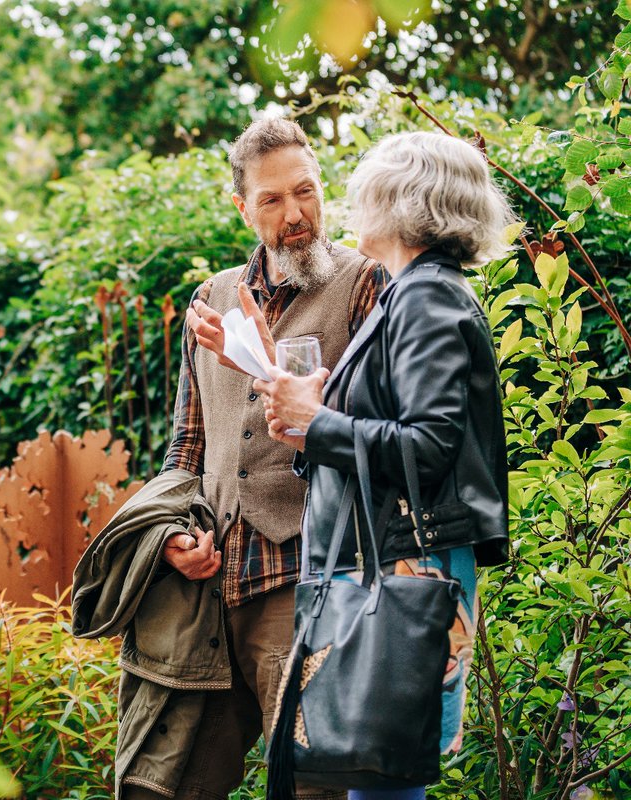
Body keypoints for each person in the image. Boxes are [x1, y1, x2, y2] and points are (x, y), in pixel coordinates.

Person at [72, 117, 386, 800]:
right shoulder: (210, 301)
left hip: (308, 582)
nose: (295, 214)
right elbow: (187, 447)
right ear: (242, 207)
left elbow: (382, 433)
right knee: (168, 784)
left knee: (312, 786)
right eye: (272, 199)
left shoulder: (366, 285)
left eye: (305, 192)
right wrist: (172, 536)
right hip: (206, 592)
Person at [252, 130, 512, 800]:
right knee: (374, 772)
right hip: (388, 561)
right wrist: (312, 426)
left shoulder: (427, 298)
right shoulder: (412, 293)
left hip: (403, 566)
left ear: (404, 204)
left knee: (383, 775)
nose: (352, 205)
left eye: (365, 192)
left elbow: (427, 446)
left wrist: (318, 422)